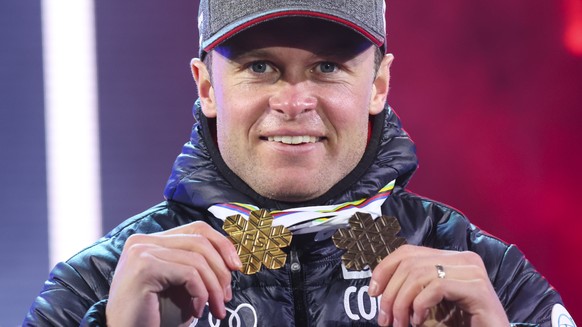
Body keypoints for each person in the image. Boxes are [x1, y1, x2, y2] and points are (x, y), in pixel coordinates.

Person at [25, 1, 574, 326]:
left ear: (379, 84)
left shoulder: (486, 275)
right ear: (207, 88)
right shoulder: (98, 284)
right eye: (260, 66)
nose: (293, 102)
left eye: (328, 67)